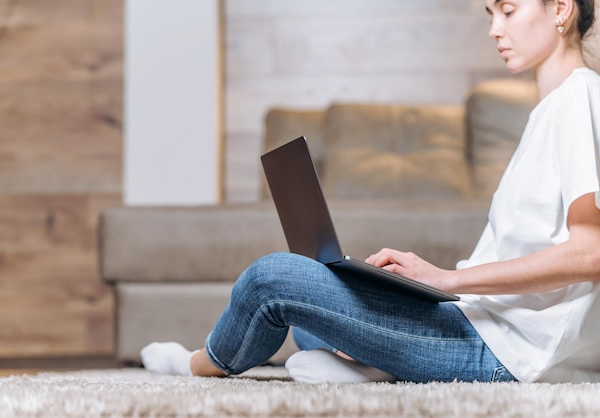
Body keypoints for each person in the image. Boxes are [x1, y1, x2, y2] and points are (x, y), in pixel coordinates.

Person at [141, 0, 600, 383]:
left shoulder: (581, 97)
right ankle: (375, 368)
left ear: (560, 10)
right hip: (476, 321)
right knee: (308, 328)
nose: (494, 28)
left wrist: (447, 279)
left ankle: (198, 364)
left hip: (506, 353)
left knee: (273, 279)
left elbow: (591, 253)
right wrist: (427, 287)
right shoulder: (549, 111)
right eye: (489, 13)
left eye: (508, 10)